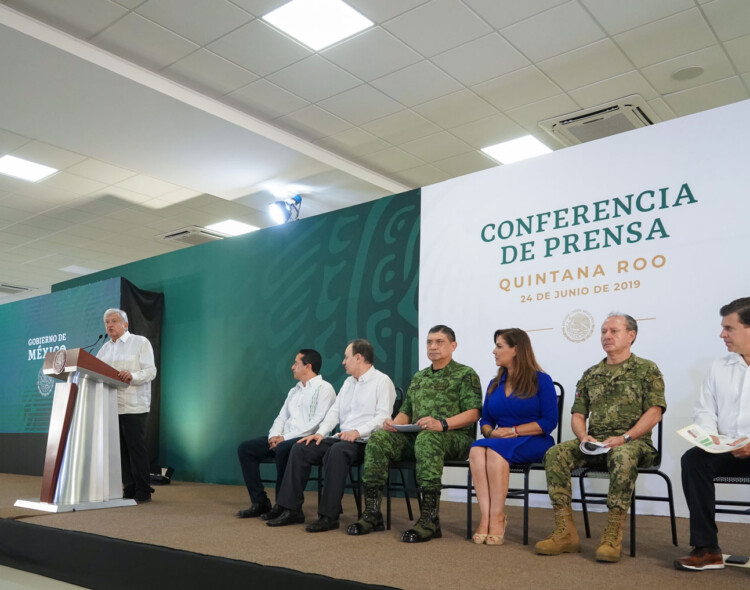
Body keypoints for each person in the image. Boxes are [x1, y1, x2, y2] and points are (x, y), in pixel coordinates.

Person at [535, 313, 666, 562]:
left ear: (631, 335)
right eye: (604, 331)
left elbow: (654, 412)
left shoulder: (647, 369)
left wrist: (625, 437)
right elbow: (577, 414)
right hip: (596, 445)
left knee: (622, 454)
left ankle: (612, 535)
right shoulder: (591, 373)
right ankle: (565, 532)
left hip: (635, 444)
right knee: (556, 453)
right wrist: (584, 437)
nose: (607, 336)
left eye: (614, 331)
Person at [348, 325, 482, 543]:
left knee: (428, 439)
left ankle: (430, 520)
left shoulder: (465, 374)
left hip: (455, 438)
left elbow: (474, 413)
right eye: (429, 342)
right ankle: (372, 514)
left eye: (439, 342)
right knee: (380, 439)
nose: (433, 346)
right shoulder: (420, 377)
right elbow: (406, 412)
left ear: (453, 345)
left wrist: (442, 424)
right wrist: (394, 424)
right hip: (419, 437)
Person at [266, 339, 395, 532]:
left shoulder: (382, 381)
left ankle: (329, 516)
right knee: (301, 447)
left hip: (366, 441)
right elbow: (334, 412)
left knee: (337, 451)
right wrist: (319, 434)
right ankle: (292, 509)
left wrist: (357, 431)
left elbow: (383, 417)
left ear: (358, 358)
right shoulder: (348, 383)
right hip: (341, 438)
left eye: (346, 357)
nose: (343, 362)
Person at [674, 297, 750, 571]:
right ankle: (706, 549)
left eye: (729, 328)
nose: (722, 334)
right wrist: (709, 438)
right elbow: (705, 410)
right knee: (693, 459)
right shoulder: (720, 366)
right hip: (729, 449)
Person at [469, 329, 558, 545]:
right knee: (477, 448)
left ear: (516, 349)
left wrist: (514, 431)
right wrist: (491, 432)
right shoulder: (494, 384)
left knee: (495, 451)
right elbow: (486, 419)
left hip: (535, 440)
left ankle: (498, 517)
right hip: (500, 440)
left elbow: (549, 421)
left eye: (499, 346)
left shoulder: (542, 380)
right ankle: (486, 516)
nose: (494, 351)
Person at [235, 349, 336, 520]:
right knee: (246, 449)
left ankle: (283, 505)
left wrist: (284, 439)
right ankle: (260, 501)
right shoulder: (294, 390)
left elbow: (317, 424)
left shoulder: (325, 389)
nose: (292, 367)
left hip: (309, 440)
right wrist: (273, 436)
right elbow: (282, 417)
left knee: (283, 448)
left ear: (308, 366)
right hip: (284, 438)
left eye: (296, 363)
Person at [96, 308, 157, 503]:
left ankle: (143, 489)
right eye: (107, 322)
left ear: (125, 324)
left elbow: (151, 371)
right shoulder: (104, 348)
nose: (110, 325)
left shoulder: (140, 342)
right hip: (111, 406)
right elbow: (95, 370)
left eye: (114, 321)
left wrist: (132, 376)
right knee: (119, 451)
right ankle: (129, 487)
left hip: (133, 405)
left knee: (135, 449)